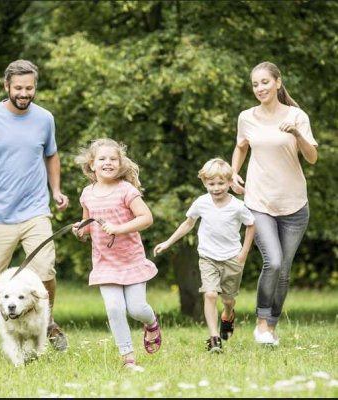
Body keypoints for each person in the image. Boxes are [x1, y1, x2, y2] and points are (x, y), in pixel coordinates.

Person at [0, 59, 70, 359]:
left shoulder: (45, 118)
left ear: (35, 87)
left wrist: (56, 190)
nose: (24, 93)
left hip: (36, 210)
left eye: (29, 88)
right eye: (18, 88)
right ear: (6, 86)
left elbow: (52, 155)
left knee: (46, 269)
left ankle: (48, 323)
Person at [231, 61, 318, 346]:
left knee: (284, 271)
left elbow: (312, 158)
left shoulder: (297, 115)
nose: (260, 88)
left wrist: (296, 133)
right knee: (274, 261)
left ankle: (271, 325)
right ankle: (261, 321)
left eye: (265, 82)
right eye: (255, 84)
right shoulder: (247, 117)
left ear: (278, 83)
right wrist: (233, 173)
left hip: (294, 204)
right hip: (259, 200)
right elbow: (241, 146)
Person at [72, 138, 161, 368]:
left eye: (113, 159)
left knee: (136, 309)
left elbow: (146, 218)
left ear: (120, 164)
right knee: (114, 308)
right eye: (102, 159)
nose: (108, 163)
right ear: (92, 164)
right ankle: (128, 358)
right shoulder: (87, 194)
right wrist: (80, 232)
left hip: (130, 260)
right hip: (105, 263)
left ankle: (151, 322)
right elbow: (88, 225)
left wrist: (119, 228)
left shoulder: (126, 190)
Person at [154, 158, 255, 353]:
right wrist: (168, 242)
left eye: (221, 183)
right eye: (211, 184)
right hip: (208, 257)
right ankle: (214, 337)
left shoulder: (237, 206)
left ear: (229, 182)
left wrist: (243, 253)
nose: (216, 188)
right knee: (209, 294)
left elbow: (251, 225)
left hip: (232, 258)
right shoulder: (201, 202)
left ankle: (228, 315)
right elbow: (188, 224)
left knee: (228, 300)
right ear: (204, 183)